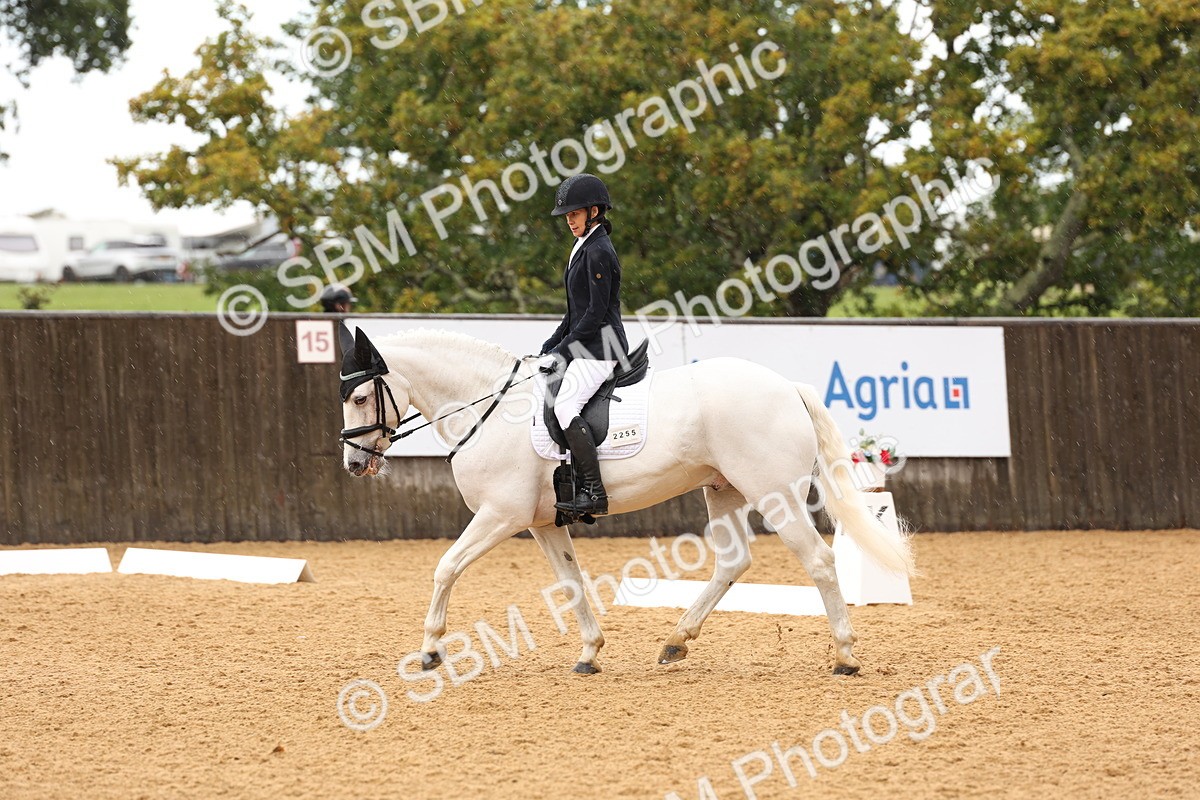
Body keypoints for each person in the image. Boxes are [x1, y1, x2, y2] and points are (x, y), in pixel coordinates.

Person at [538, 173, 629, 517]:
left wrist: (566, 350)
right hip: (587, 342)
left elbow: (595, 313)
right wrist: (554, 340)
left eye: (574, 214)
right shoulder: (583, 244)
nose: (569, 220)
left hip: (603, 346)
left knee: (564, 407)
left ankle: (594, 491)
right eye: (567, 215)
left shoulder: (599, 250)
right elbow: (575, 310)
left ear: (594, 211)